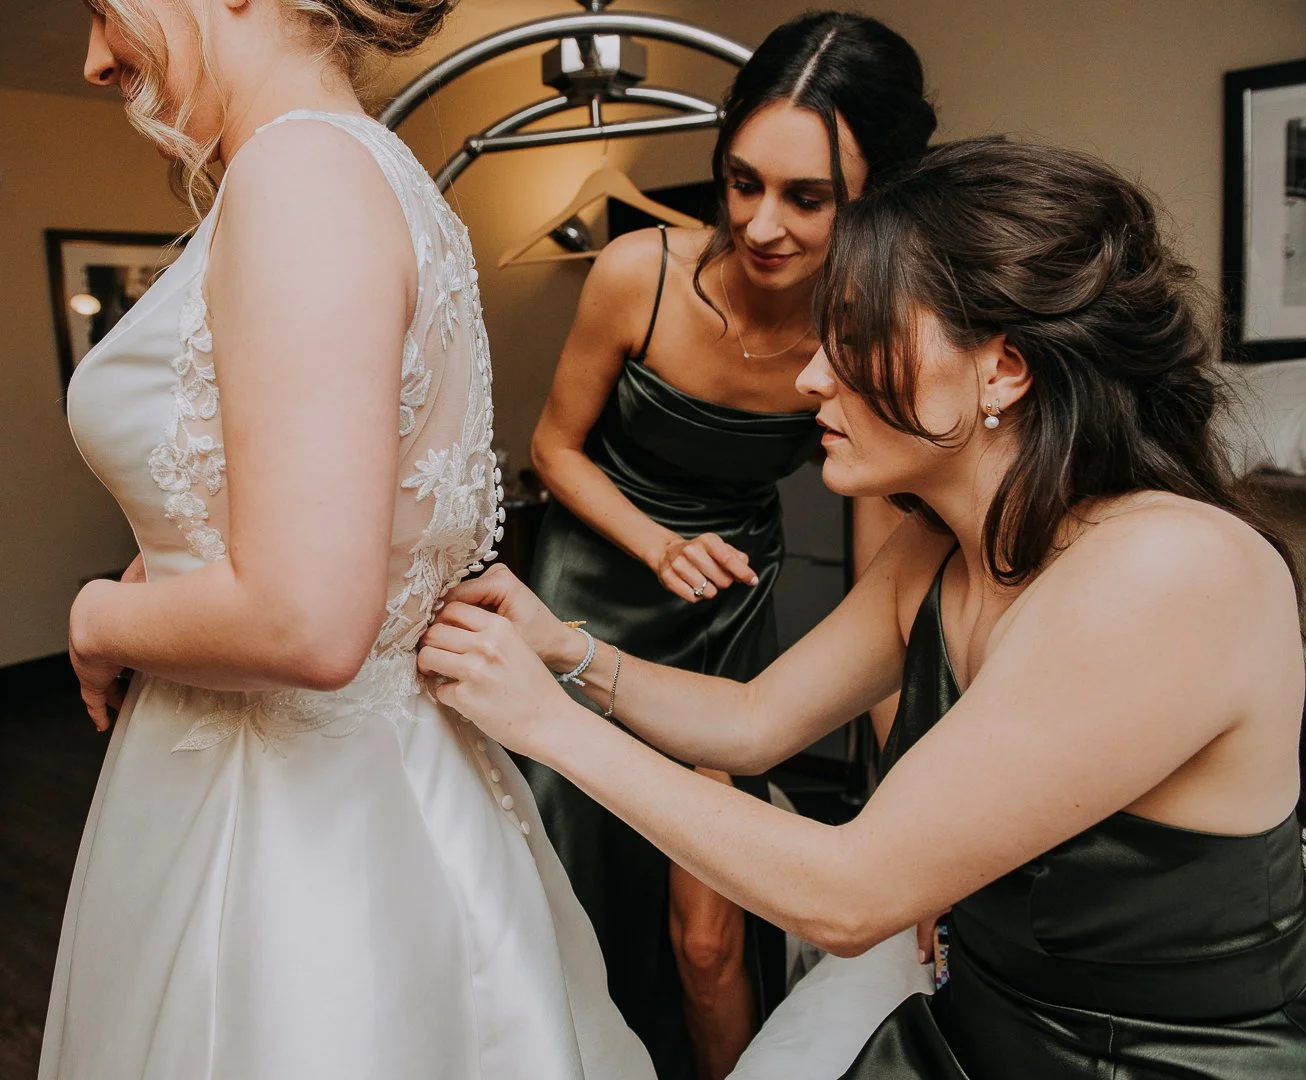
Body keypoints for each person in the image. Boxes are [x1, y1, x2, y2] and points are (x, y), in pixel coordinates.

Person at [419, 136, 1306, 1080]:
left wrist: (547, 726)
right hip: (972, 1034)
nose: (810, 379)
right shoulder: (938, 545)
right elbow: (753, 721)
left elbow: (847, 898)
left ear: (1001, 369)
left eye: (857, 333)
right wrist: (563, 648)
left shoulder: (1171, 571)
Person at [43, 3, 655, 1078]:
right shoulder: (372, 174)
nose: (94, 59)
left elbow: (307, 619)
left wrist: (99, 617)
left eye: (101, 7)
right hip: (376, 774)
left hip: (292, 818)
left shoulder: (301, 178)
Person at [524, 12, 934, 1077]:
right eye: (741, 181)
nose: (758, 224)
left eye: (807, 198)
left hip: (723, 618)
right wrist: (657, 543)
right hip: (587, 588)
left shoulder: (864, 330)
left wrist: (898, 797)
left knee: (708, 937)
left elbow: (882, 589)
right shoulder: (637, 273)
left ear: (872, 194)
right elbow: (552, 451)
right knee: (569, 888)